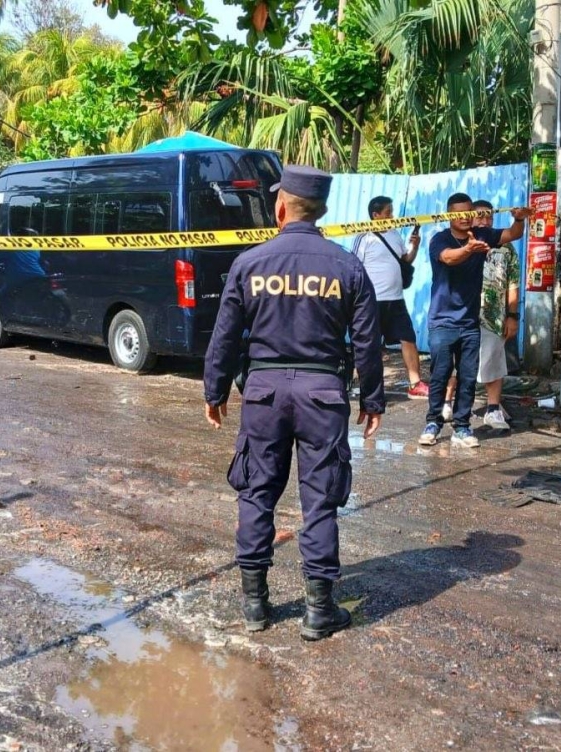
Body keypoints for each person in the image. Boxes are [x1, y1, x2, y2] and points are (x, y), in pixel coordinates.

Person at [203, 166, 386, 642]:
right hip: (322, 395)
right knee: (320, 500)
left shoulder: (250, 263)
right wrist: (373, 399)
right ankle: (319, 611)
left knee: (256, 492)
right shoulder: (346, 266)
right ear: (321, 210)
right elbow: (367, 341)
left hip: (263, 393)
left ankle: (254, 606)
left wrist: (215, 391)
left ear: (281, 206)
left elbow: (224, 336)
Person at [419, 193, 528, 448]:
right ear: (450, 216)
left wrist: (520, 220)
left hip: (470, 323)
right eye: (460, 214)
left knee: (467, 377)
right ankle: (433, 422)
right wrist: (469, 249)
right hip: (443, 321)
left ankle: (463, 427)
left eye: (470, 212)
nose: (467, 217)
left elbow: (512, 234)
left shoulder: (483, 235)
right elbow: (448, 257)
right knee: (440, 374)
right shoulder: (440, 240)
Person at [442, 200, 521, 431]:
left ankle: (493, 409)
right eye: (480, 217)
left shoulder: (505, 247)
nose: (485, 221)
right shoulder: (457, 243)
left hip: (493, 315)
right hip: (462, 313)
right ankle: (446, 403)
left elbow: (512, 283)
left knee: (494, 360)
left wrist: (512, 315)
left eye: (489, 218)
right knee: (455, 361)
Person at [353, 195, 429, 398]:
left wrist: (415, 246)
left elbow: (406, 260)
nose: (392, 216)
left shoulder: (395, 234)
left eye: (392, 212)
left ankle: (416, 383)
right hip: (372, 301)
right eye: (388, 213)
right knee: (371, 344)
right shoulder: (363, 237)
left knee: (408, 338)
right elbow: (354, 267)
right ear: (375, 215)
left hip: (396, 300)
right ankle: (368, 386)